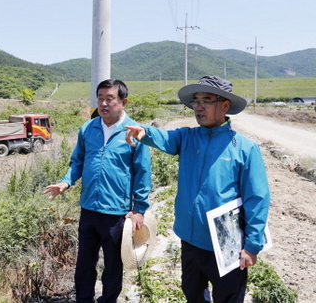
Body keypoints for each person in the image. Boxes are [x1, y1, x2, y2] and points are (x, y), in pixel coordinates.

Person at [125, 75, 270, 303]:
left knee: (228, 297)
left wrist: (252, 246)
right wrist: (145, 132)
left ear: (224, 106)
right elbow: (165, 137)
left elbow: (257, 198)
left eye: (206, 100)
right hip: (191, 240)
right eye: (196, 101)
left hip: (226, 243)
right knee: (193, 294)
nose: (198, 107)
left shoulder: (244, 148)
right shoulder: (187, 137)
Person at [44, 79, 152, 303]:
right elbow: (78, 162)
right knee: (84, 263)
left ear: (123, 101)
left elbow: (142, 172)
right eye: (100, 98)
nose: (103, 103)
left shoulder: (134, 132)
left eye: (109, 99)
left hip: (117, 212)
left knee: (113, 265)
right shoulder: (88, 128)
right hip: (89, 209)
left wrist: (139, 208)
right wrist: (66, 182)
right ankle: (84, 299)